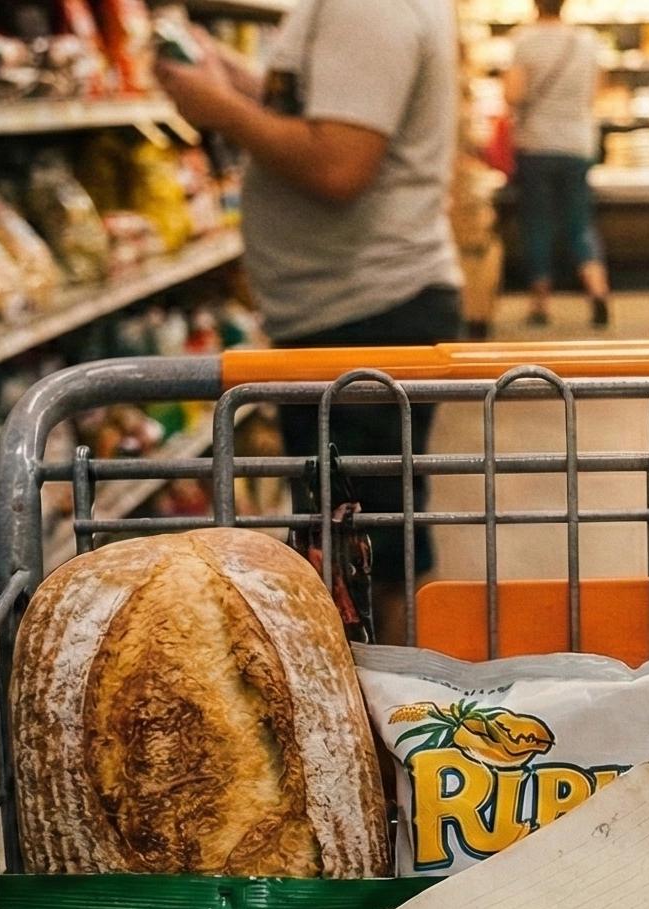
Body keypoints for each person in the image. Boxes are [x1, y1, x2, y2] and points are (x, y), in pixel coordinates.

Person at [154, 0, 461, 617]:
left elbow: (338, 165)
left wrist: (220, 110)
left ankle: (389, 678)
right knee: (361, 541)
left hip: (366, 314)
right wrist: (238, 78)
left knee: (366, 558)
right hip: (348, 310)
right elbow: (329, 104)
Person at [504, 0, 613, 328]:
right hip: (577, 143)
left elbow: (513, 94)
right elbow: (596, 93)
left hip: (536, 143)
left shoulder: (524, 40)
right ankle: (597, 289)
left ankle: (540, 302)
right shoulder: (587, 41)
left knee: (537, 222)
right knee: (579, 221)